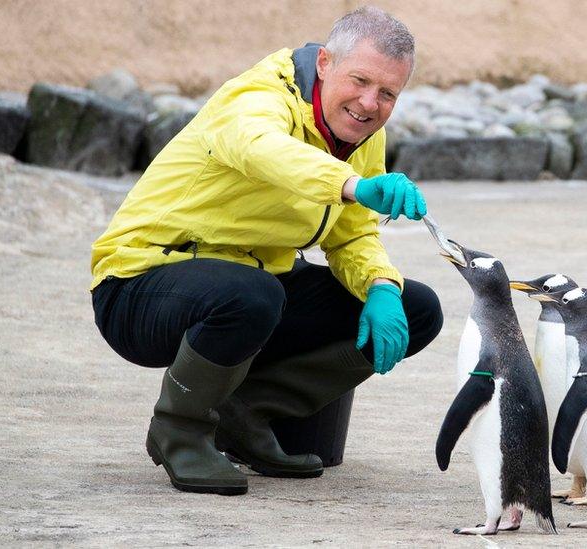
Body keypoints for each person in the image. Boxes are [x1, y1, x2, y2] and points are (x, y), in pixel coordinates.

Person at [89, 6, 442, 496]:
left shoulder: (362, 132)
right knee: (253, 294)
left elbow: (353, 234)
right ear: (323, 63)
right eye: (360, 80)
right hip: (140, 282)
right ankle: (179, 431)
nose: (369, 102)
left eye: (387, 93)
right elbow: (261, 148)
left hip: (252, 289)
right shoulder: (258, 95)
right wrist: (352, 184)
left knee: (416, 307)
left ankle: (246, 412)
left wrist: (381, 286)